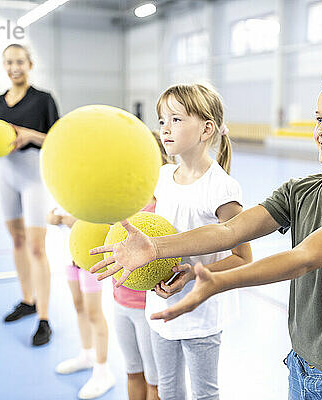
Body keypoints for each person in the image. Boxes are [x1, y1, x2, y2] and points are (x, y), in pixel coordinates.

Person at [90, 69, 322, 399]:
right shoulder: (300, 191)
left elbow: (303, 258)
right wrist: (155, 247)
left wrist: (220, 281)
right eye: (319, 118)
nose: (321, 130)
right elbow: (229, 230)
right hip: (303, 363)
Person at [102, 83, 252, 400]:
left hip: (200, 310)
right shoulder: (162, 178)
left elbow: (243, 257)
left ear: (206, 129)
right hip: (160, 304)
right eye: (162, 120)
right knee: (168, 389)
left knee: (203, 393)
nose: (165, 129)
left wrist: (192, 276)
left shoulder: (223, 189)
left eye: (176, 119)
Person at [0, 43, 59, 346]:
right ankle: (27, 300)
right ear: (4, 66)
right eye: (9, 62)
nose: (14, 67)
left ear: (29, 64)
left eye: (19, 61)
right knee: (16, 240)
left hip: (33, 177)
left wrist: (29, 135)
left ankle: (44, 318)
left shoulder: (43, 100)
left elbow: (57, 140)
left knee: (36, 248)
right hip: (5, 174)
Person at [111, 131, 170, 400]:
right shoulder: (120, 204)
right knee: (132, 372)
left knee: (155, 383)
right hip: (120, 303)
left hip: (148, 308)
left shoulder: (163, 208)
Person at [46, 210, 115, 399]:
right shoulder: (65, 190)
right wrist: (53, 218)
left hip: (89, 257)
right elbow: (53, 213)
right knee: (79, 306)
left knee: (94, 312)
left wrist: (80, 221)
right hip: (69, 254)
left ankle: (103, 370)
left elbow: (108, 219)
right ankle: (87, 354)